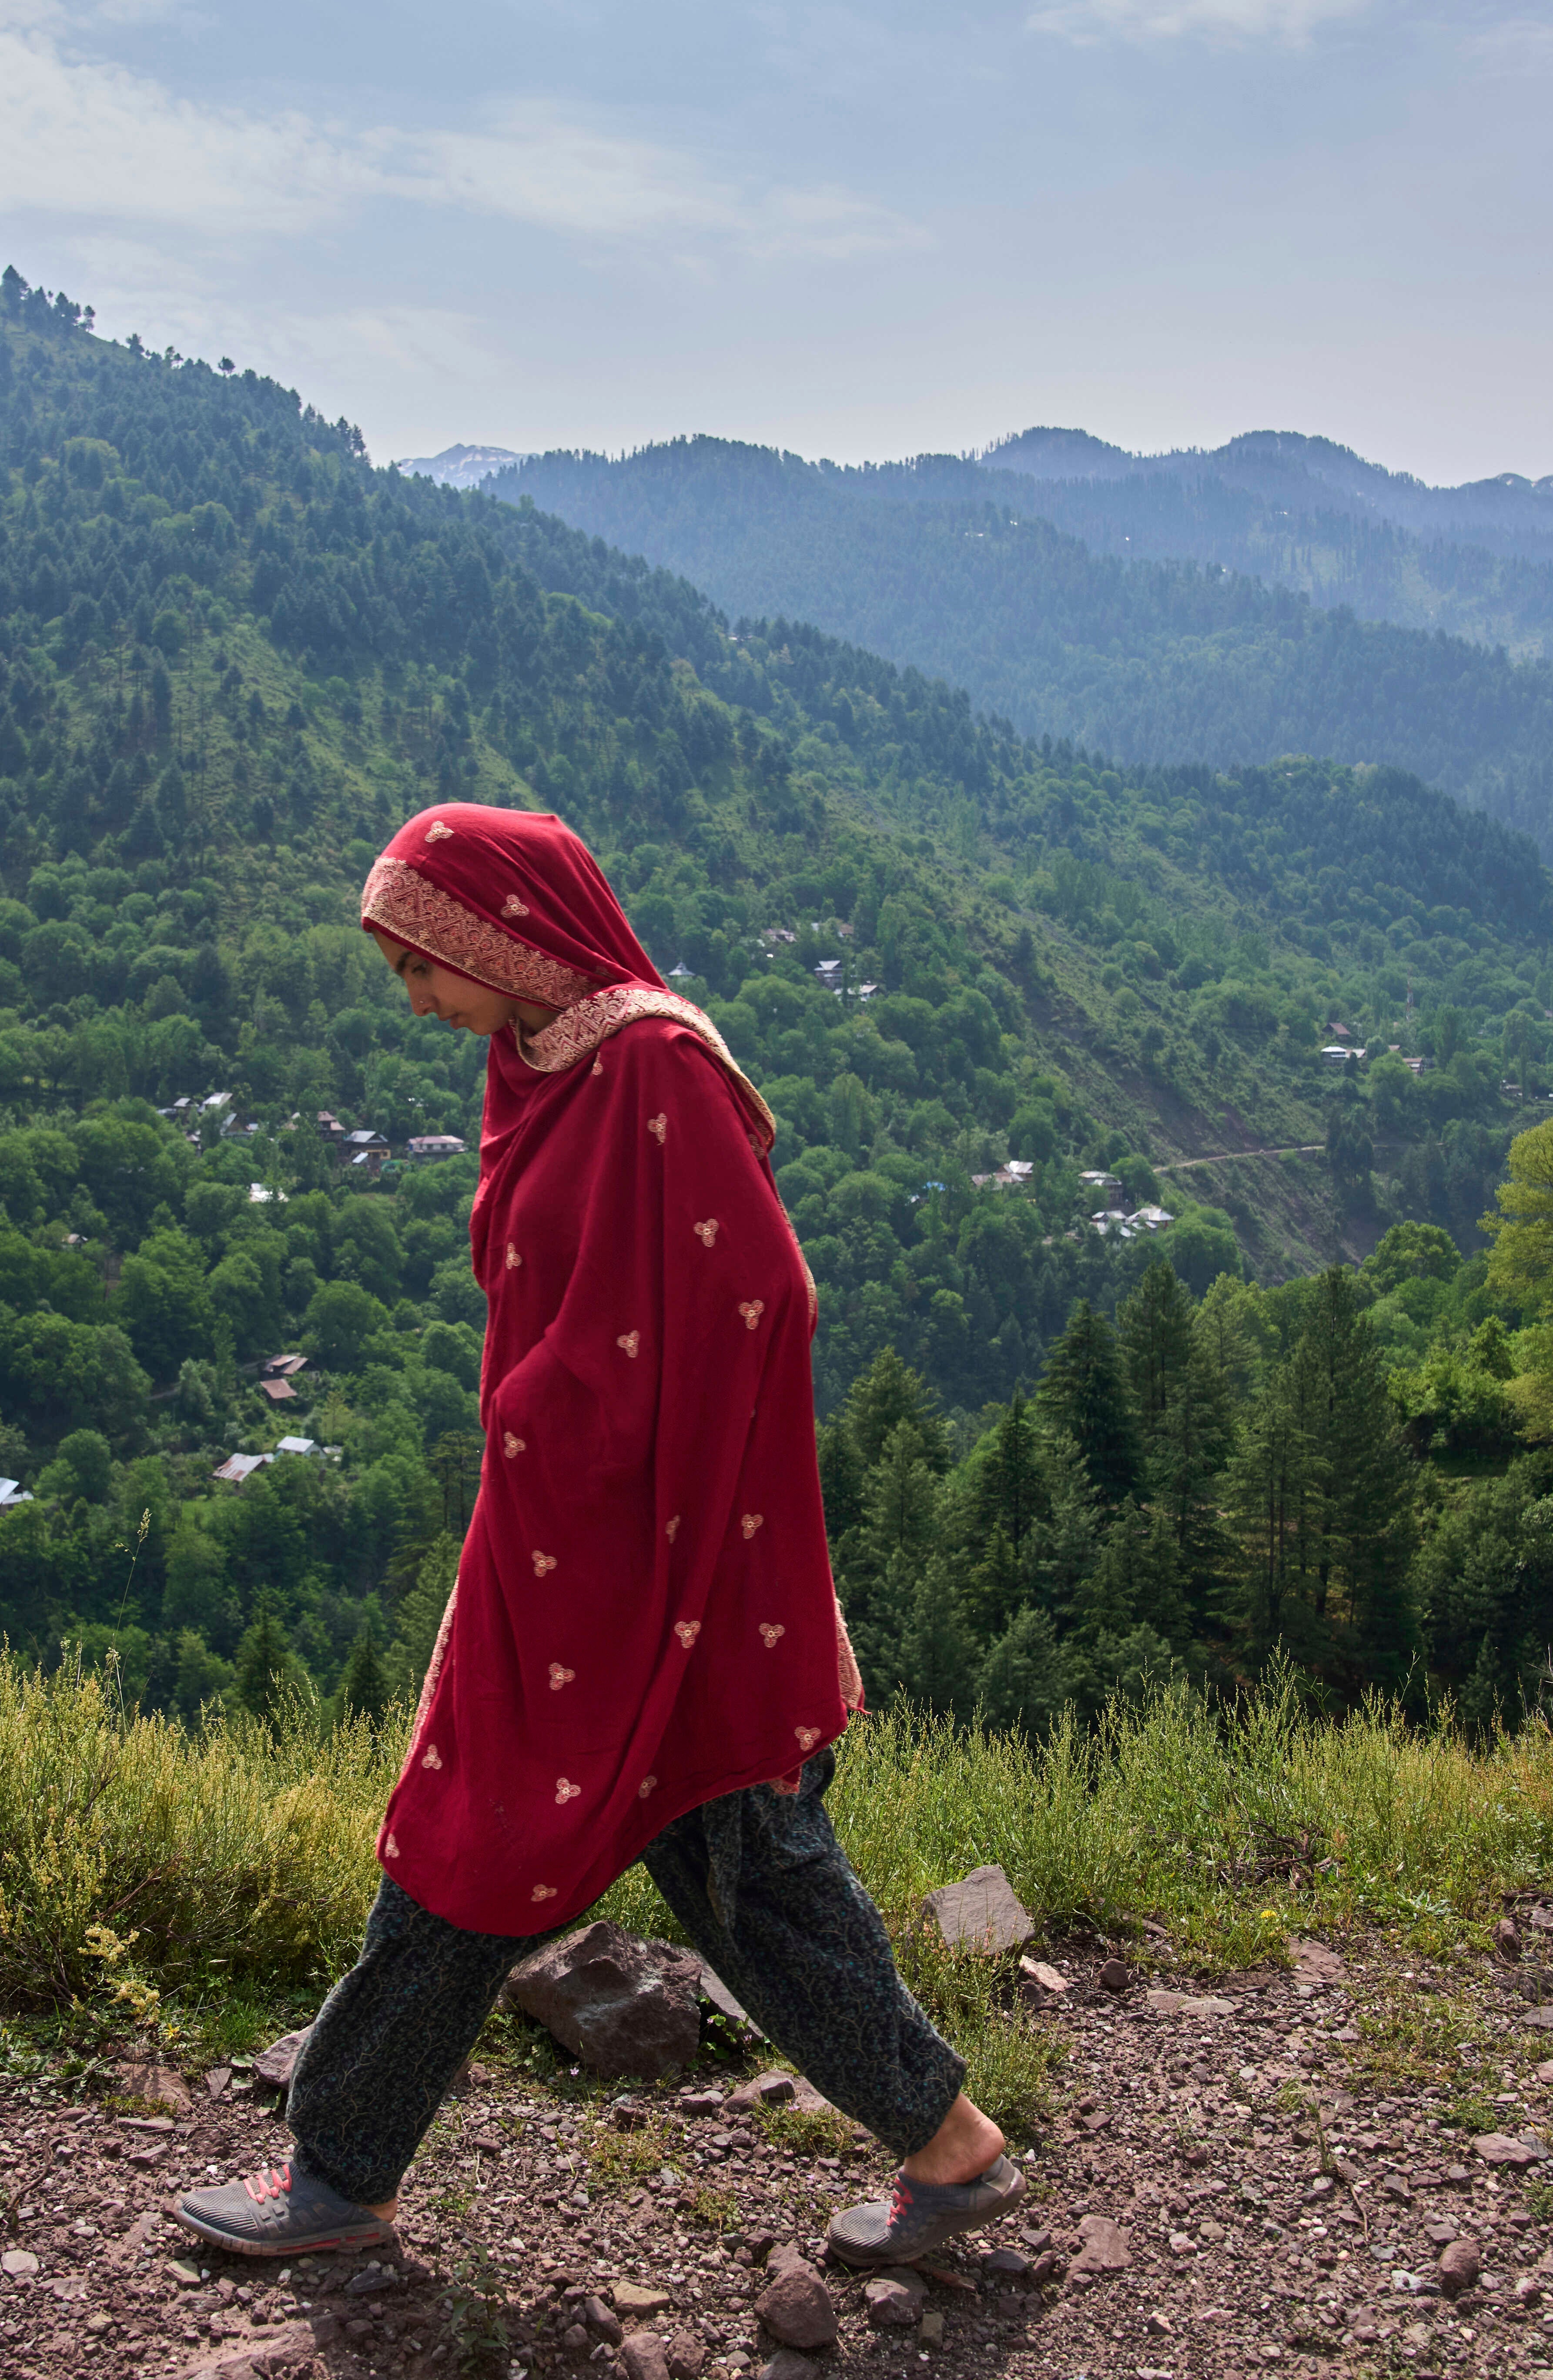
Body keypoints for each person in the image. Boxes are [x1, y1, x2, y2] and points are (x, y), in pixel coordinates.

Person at [172, 802, 1024, 2270]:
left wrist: (561, 1406)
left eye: (421, 964)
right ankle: (950, 2154)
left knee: (546, 1849)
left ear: (497, 937)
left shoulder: (651, 1067)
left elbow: (760, 1292)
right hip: (582, 1553)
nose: (417, 998)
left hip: (665, 1566)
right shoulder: (541, 1062)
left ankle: (339, 2174)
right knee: (650, 1862)